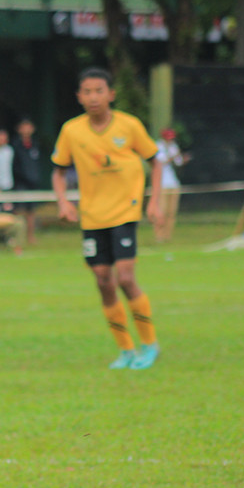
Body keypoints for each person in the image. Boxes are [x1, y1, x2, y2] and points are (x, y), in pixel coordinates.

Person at [51, 67, 163, 370]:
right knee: (103, 281)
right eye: (87, 92)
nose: (93, 97)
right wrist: (63, 202)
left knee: (125, 278)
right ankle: (126, 350)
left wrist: (155, 200)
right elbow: (58, 171)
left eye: (99, 91)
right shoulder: (72, 131)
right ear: (79, 97)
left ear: (111, 94)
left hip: (125, 212)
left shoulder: (130, 126)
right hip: (92, 217)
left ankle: (150, 345)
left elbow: (156, 162)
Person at [153, 127, 190, 243]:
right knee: (161, 211)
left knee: (171, 212)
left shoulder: (174, 147)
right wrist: (173, 156)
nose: (170, 140)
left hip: (173, 183)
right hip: (162, 184)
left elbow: (178, 163)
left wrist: (184, 160)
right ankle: (159, 236)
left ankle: (168, 236)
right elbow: (160, 163)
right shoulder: (157, 146)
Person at [11, 117, 41, 245]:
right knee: (17, 210)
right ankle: (15, 236)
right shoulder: (15, 145)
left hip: (32, 182)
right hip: (19, 182)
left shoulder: (35, 144)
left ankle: (31, 236)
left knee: (31, 211)